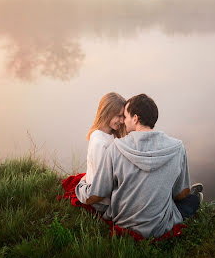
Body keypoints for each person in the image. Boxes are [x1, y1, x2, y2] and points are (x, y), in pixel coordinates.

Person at [77, 94, 202, 238]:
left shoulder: (115, 148)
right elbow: (180, 194)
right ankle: (195, 197)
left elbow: (97, 194)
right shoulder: (178, 147)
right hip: (158, 227)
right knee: (190, 200)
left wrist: (80, 186)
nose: (123, 121)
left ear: (135, 118)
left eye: (125, 116)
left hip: (123, 221)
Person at [75, 92, 126, 214]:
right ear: (107, 113)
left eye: (123, 116)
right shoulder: (99, 141)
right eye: (119, 116)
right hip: (102, 201)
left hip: (110, 192)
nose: (122, 120)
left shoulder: (111, 135)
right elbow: (103, 180)